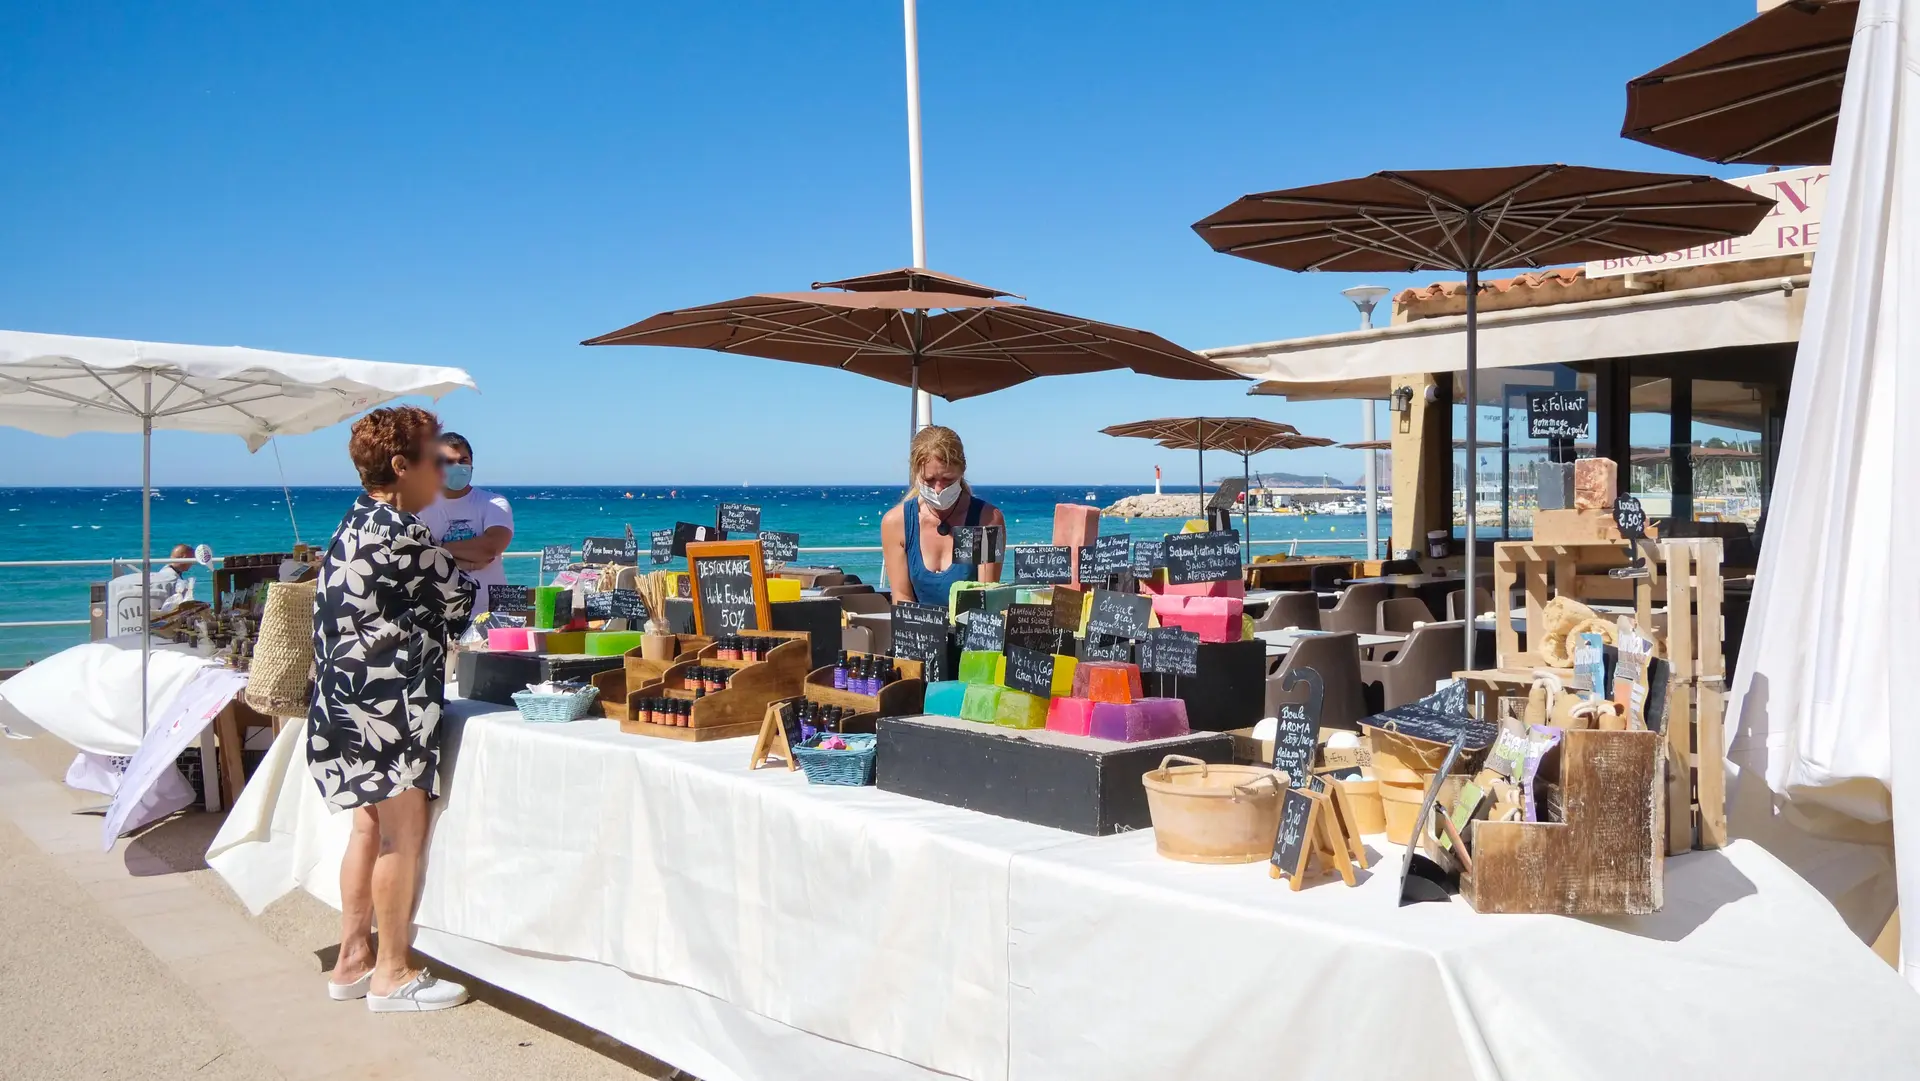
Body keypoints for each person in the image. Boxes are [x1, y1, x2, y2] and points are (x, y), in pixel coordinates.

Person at [310, 405, 475, 1013]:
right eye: (436, 456)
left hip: (340, 698)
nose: (446, 466)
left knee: (367, 825)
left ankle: (351, 960)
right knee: (401, 836)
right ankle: (393, 973)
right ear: (402, 467)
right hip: (390, 701)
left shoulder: (354, 522)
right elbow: (459, 600)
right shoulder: (403, 532)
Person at [880, 426, 1004, 605]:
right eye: (929, 480)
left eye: (948, 479)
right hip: (918, 630)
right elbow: (902, 598)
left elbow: (986, 598)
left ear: (962, 471)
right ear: (915, 473)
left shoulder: (984, 521)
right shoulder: (897, 523)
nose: (938, 489)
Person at [415, 431, 514, 613]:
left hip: (493, 611)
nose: (458, 466)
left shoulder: (494, 503)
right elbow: (417, 560)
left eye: (463, 460)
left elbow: (490, 547)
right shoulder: (420, 508)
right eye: (449, 461)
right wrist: (470, 562)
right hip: (441, 612)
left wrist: (437, 548)